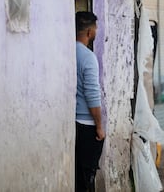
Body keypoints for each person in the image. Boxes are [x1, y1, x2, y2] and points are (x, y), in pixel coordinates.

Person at [75, 11, 105, 192]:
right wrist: (99, 127)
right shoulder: (88, 57)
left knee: (77, 176)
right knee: (87, 177)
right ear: (89, 32)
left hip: (72, 123)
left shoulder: (65, 52)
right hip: (87, 126)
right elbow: (92, 94)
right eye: (96, 27)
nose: (97, 30)